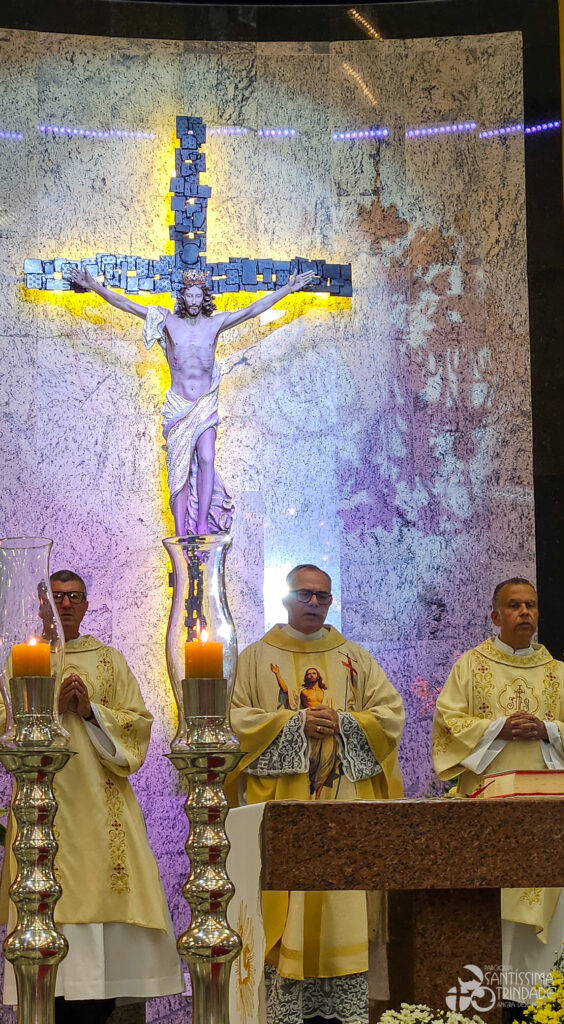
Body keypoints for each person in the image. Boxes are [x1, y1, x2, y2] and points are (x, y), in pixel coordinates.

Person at [1, 570, 183, 1024]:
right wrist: (47, 707)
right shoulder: (18, 661)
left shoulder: (109, 660)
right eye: (57, 597)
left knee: (99, 959)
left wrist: (89, 711)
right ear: (42, 605)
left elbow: (138, 724)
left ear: (85, 605)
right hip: (41, 811)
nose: (65, 604)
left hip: (102, 814)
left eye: (74, 597)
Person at [226, 564, 405, 1024]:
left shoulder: (355, 658)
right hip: (280, 815)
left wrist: (343, 722)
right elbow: (234, 723)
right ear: (285, 598)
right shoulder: (255, 657)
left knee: (342, 911)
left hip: (345, 812)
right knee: (286, 914)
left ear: (330, 602)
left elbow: (390, 715)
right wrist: (294, 723)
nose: (313, 603)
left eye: (322, 596)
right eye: (304, 594)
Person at [67, 265, 316, 536]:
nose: (195, 301)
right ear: (183, 297)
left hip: (205, 404)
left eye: (199, 296)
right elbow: (127, 305)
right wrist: (94, 286)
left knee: (207, 457)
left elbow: (252, 311)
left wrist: (287, 289)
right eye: (190, 296)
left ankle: (202, 524)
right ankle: (180, 532)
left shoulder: (215, 323)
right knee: (180, 471)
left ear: (204, 297)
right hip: (179, 406)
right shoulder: (167, 321)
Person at [432, 577, 564, 1017]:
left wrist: (549, 729)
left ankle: (544, 1009)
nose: (524, 612)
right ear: (496, 616)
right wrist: (499, 728)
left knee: (544, 918)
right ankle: (490, 1007)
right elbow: (447, 725)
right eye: (514, 605)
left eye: (531, 604)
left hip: (547, 817)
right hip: (487, 812)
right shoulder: (470, 666)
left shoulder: (557, 672)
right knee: (491, 910)